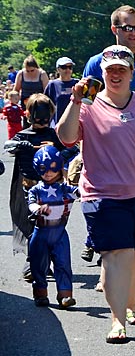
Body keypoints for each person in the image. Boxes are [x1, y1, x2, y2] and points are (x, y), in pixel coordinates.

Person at [56, 44, 135, 344]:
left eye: (121, 70)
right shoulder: (87, 106)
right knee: (118, 255)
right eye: (110, 70)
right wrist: (75, 101)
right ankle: (117, 319)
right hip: (104, 195)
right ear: (101, 73)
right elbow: (65, 138)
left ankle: (129, 304)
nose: (115, 74)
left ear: (131, 73)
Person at [5, 94, 69, 282]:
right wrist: (21, 144)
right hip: (29, 187)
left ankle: (42, 261)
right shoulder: (24, 134)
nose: (41, 120)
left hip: (52, 190)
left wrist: (56, 150)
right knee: (31, 225)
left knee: (49, 227)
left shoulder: (53, 135)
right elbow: (8, 145)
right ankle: (33, 262)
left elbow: (71, 149)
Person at [28, 145, 79, 308]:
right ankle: (40, 293)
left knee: (63, 263)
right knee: (38, 264)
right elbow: (30, 204)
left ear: (59, 166)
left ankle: (65, 295)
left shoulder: (65, 189)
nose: (48, 172)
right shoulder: (36, 190)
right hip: (40, 232)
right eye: (43, 168)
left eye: (52, 167)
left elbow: (81, 192)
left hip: (60, 234)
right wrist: (38, 209)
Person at [44, 57, 79, 128]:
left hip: (75, 122)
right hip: (57, 123)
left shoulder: (78, 83)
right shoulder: (52, 84)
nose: (67, 70)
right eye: (64, 67)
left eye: (70, 67)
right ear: (58, 69)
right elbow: (46, 105)